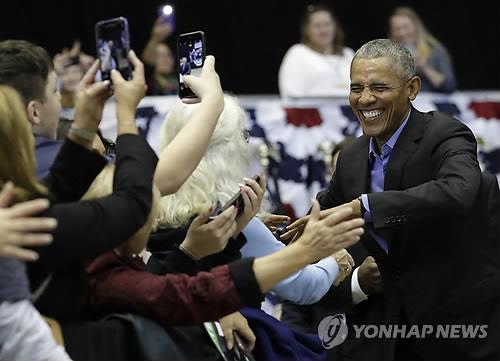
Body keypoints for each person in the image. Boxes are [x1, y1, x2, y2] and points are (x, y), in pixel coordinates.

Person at [284, 39, 500, 360]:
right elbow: (321, 224)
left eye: (379, 87)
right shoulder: (352, 156)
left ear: (412, 88)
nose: (365, 98)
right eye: (356, 87)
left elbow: (458, 191)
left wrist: (366, 206)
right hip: (384, 337)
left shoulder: (444, 133)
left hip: (459, 334)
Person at [152, 94, 353, 305]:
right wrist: (332, 262)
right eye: (243, 136)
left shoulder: (148, 209)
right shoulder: (232, 223)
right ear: (229, 151)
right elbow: (304, 287)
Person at [278, 3, 354, 98]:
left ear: (335, 26)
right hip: (313, 111)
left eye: (327, 24)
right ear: (307, 30)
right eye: (317, 26)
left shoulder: (348, 54)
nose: (323, 30)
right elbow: (290, 93)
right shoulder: (298, 53)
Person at [389, 6, 456, 93]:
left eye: (405, 27)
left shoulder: (435, 51)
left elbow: (449, 87)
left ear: (415, 26)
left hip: (429, 103)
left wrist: (424, 67)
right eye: (397, 29)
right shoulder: (388, 55)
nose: (402, 33)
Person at [141, 17, 178, 95]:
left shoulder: (180, 80)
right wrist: (156, 37)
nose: (165, 59)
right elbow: (146, 60)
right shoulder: (148, 83)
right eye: (160, 56)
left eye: (168, 55)